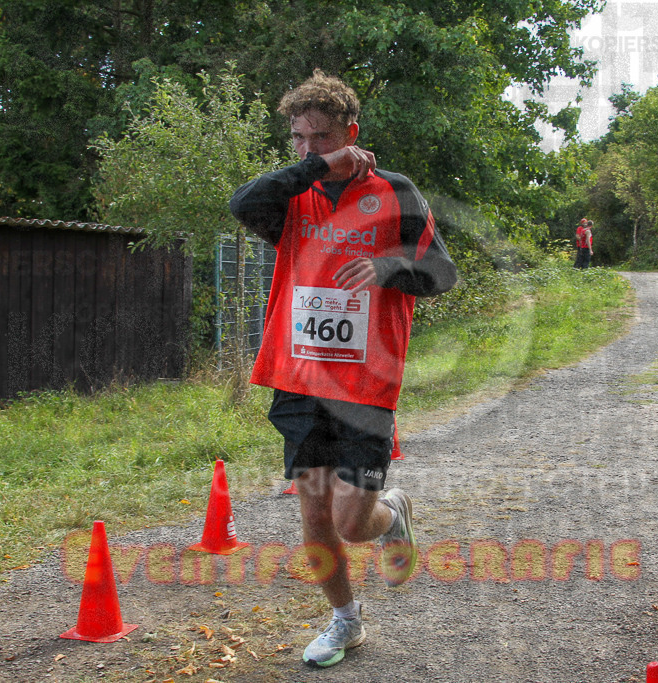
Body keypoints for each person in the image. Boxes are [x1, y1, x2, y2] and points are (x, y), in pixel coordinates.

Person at [228, 69, 457, 668]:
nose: (307, 149)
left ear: (351, 133)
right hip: (299, 377)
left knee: (352, 522)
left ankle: (392, 512)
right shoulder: (291, 197)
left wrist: (386, 268)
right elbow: (240, 204)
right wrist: (314, 167)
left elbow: (442, 274)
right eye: (298, 139)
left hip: (365, 384)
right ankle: (345, 622)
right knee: (314, 513)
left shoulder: (395, 191)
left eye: (321, 138)